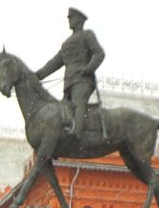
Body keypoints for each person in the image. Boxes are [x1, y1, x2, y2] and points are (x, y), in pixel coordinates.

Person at [35, 7, 106, 136]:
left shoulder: (87, 35)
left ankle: (77, 133)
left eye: (71, 18)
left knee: (78, 102)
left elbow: (99, 53)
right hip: (69, 83)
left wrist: (89, 68)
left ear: (79, 20)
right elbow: (54, 63)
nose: (69, 20)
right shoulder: (66, 43)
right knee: (65, 108)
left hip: (83, 80)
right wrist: (37, 75)